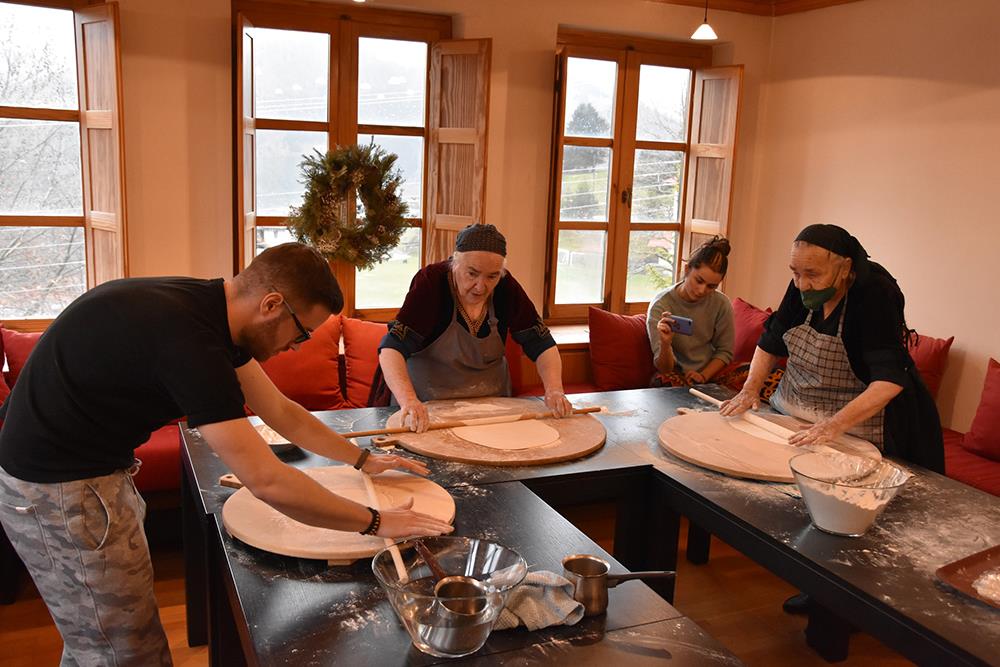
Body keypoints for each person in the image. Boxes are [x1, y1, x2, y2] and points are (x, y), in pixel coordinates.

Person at [0, 242, 452, 666]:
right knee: (126, 651)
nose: (296, 346)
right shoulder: (191, 344)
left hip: (84, 476)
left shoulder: (210, 311)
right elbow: (266, 480)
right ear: (272, 304)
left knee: (95, 638)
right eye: (301, 333)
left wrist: (362, 459)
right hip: (60, 494)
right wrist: (375, 522)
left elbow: (281, 411)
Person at [719, 223, 944, 614]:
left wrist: (833, 426)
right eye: (795, 273)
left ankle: (837, 610)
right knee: (795, 506)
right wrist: (751, 389)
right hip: (797, 412)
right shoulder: (804, 286)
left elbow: (890, 380)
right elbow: (770, 341)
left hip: (855, 424)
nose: (801, 283)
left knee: (841, 519)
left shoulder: (874, 295)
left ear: (845, 268)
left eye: (812, 274)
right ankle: (815, 585)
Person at [377, 223, 572, 432]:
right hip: (428, 410)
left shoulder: (506, 286)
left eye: (492, 276)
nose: (481, 287)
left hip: (491, 410)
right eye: (472, 274)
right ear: (455, 263)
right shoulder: (431, 282)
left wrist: (554, 390)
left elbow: (541, 343)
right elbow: (392, 349)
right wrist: (409, 401)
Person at [646, 236, 741, 388]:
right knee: (662, 381)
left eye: (711, 286)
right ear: (687, 270)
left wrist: (703, 375)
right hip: (676, 373)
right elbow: (664, 368)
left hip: (711, 372)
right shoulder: (661, 305)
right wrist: (665, 343)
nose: (702, 290)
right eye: (699, 281)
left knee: (757, 376)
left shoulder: (722, 304)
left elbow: (725, 352)